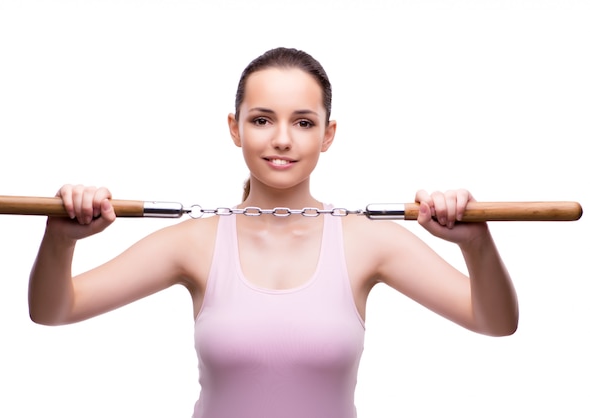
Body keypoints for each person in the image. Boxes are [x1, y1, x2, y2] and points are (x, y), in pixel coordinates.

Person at [28, 47, 518, 418]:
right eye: (262, 119)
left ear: (328, 134)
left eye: (303, 122)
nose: (282, 138)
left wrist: (476, 244)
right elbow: (55, 310)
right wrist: (61, 238)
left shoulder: (368, 241)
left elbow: (494, 322)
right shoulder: (194, 243)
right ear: (235, 127)